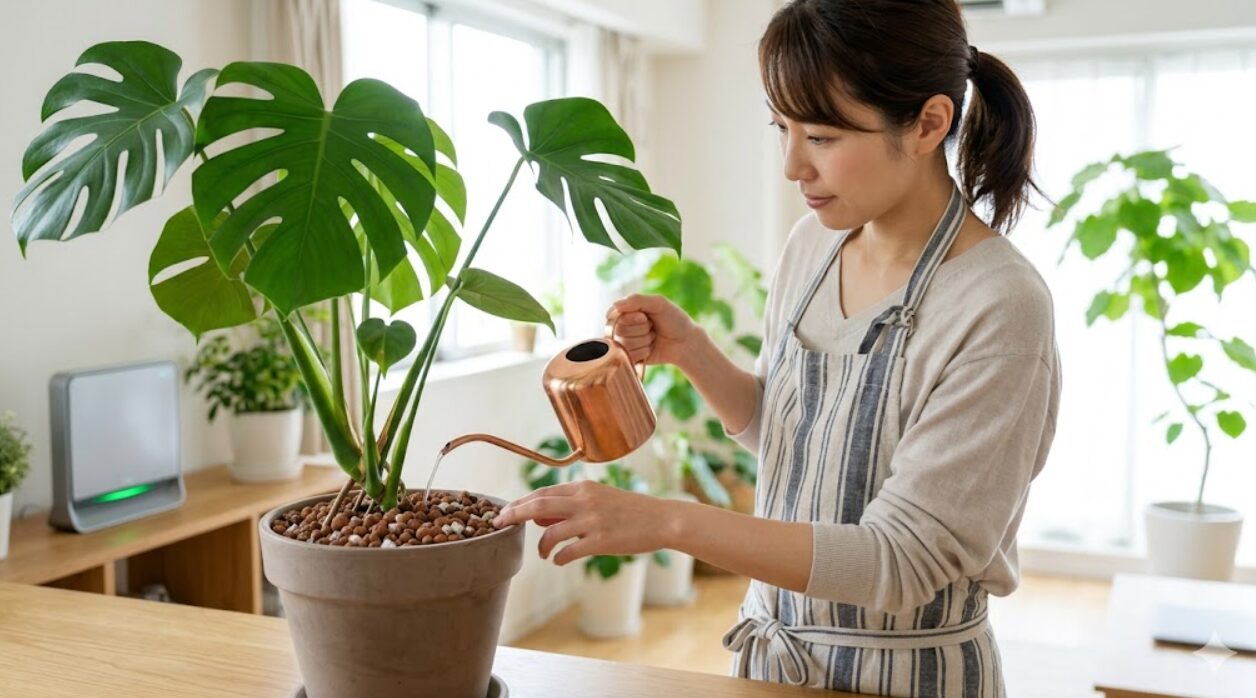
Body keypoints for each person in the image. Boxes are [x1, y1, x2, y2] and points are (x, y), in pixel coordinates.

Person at [492, 0, 1060, 694]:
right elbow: (792, 440)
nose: (793, 165)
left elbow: (901, 560)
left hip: (909, 675)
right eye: (781, 127)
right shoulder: (812, 247)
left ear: (928, 124)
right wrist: (694, 353)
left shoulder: (999, 305)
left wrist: (666, 519)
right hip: (773, 663)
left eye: (820, 136)